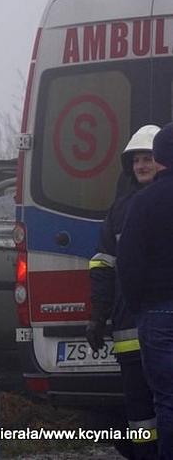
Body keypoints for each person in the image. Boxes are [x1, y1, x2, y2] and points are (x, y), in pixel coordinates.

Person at [87, 125, 160, 460]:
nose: (142, 165)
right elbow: (102, 266)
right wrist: (98, 315)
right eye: (136, 160)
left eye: (149, 158)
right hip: (129, 329)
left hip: (160, 326)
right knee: (140, 410)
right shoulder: (118, 211)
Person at [119, 122, 173, 460]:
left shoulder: (143, 202)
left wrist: (141, 307)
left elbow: (128, 264)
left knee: (167, 400)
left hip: (157, 313)